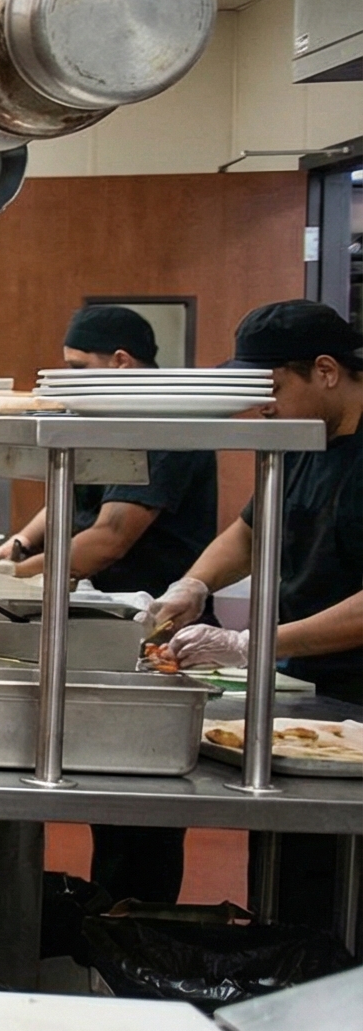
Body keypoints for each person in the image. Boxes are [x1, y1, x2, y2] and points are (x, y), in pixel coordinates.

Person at [0, 304, 220, 905]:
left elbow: (108, 537)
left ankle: (137, 940)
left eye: (79, 367)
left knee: (141, 813)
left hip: (155, 634)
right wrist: (13, 548)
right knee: (106, 800)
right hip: (105, 634)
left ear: (121, 363)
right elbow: (70, 498)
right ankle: (106, 927)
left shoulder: (163, 426)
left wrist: (20, 578)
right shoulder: (105, 417)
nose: (68, 378)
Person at [152, 299, 363, 931]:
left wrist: (253, 643)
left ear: (325, 370)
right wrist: (192, 583)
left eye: (270, 388)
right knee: (294, 885)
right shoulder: (302, 440)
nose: (262, 407)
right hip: (312, 695)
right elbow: (250, 531)